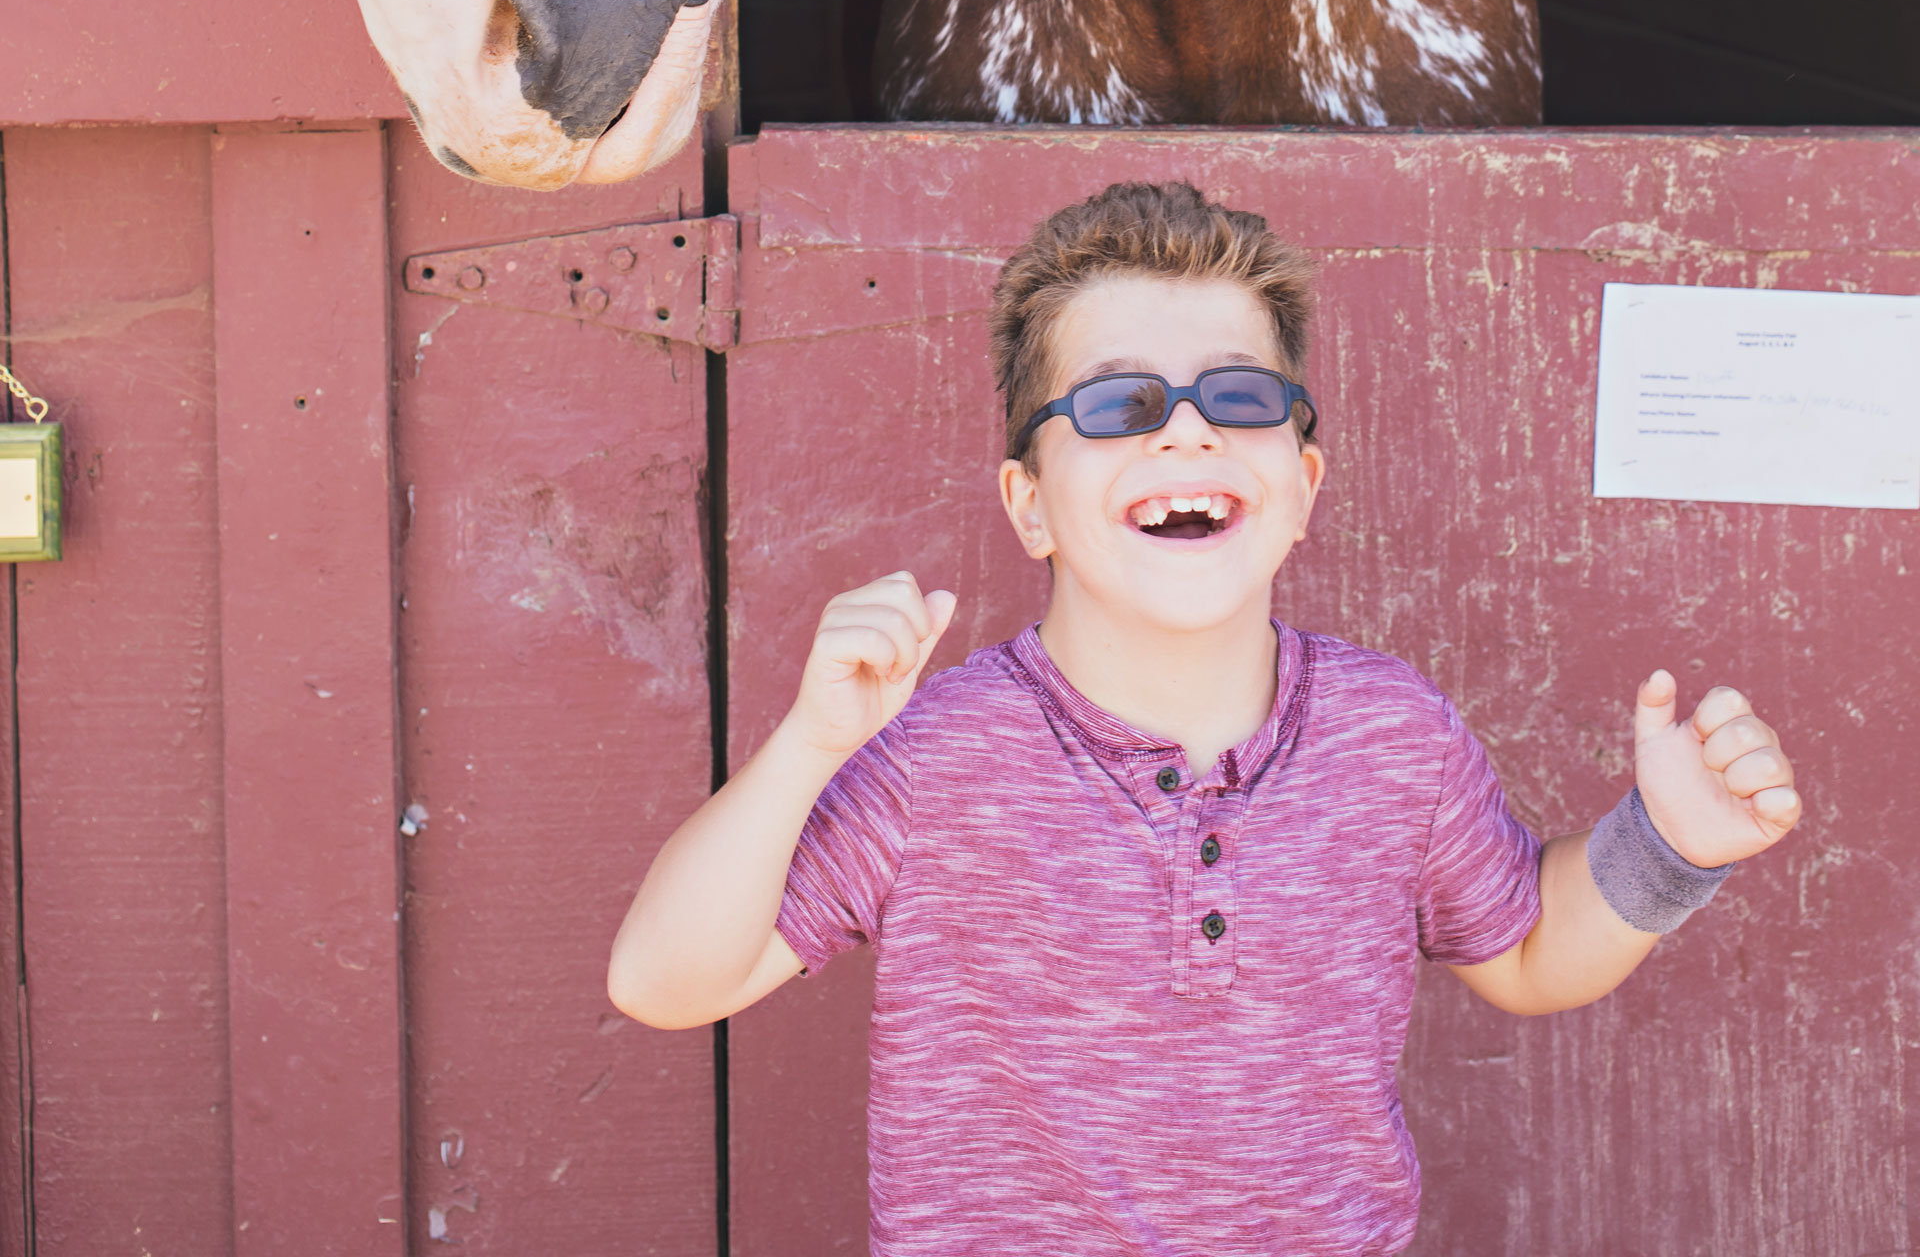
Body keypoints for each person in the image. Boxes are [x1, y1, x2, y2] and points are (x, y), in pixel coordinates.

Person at [610, 179, 1803, 1256]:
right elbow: (664, 983)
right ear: (1030, 505)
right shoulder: (937, 758)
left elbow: (1532, 955)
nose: (1186, 430)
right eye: (1121, 403)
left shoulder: (1395, 736)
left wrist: (1669, 845)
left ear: (1304, 487)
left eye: (1238, 396)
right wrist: (813, 745)